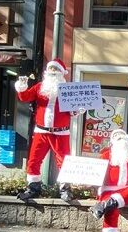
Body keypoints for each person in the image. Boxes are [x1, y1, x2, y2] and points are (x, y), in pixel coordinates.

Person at [14, 58, 84, 202]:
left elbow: (72, 112)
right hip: (41, 131)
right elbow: (25, 97)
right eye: (50, 69)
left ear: (61, 73)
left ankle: (65, 189)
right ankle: (33, 187)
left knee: (64, 161)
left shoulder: (68, 90)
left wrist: (78, 109)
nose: (52, 72)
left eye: (55, 69)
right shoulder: (40, 87)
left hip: (60, 132)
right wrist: (22, 87)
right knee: (34, 160)